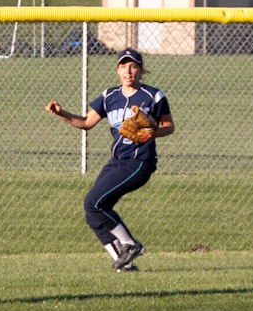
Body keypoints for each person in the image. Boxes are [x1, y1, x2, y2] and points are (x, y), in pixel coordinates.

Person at [46, 47, 174, 272]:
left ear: (140, 70)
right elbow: (86, 122)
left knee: (93, 202)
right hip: (116, 161)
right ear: (117, 70)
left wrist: (152, 133)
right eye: (123, 66)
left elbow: (169, 126)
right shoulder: (109, 96)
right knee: (93, 214)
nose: (128, 71)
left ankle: (130, 244)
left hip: (139, 162)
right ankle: (124, 264)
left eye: (133, 66)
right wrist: (61, 113)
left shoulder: (153, 96)